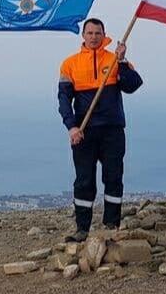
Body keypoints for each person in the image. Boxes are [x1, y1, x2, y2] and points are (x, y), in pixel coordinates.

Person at [57, 18, 143, 242]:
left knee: (113, 177)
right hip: (84, 132)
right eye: (90, 33)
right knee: (84, 181)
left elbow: (133, 85)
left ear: (103, 35)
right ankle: (82, 229)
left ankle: (111, 225)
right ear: (83, 35)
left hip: (112, 131)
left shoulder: (114, 60)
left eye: (98, 33)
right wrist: (72, 126)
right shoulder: (70, 64)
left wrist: (122, 62)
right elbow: (64, 99)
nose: (94, 36)